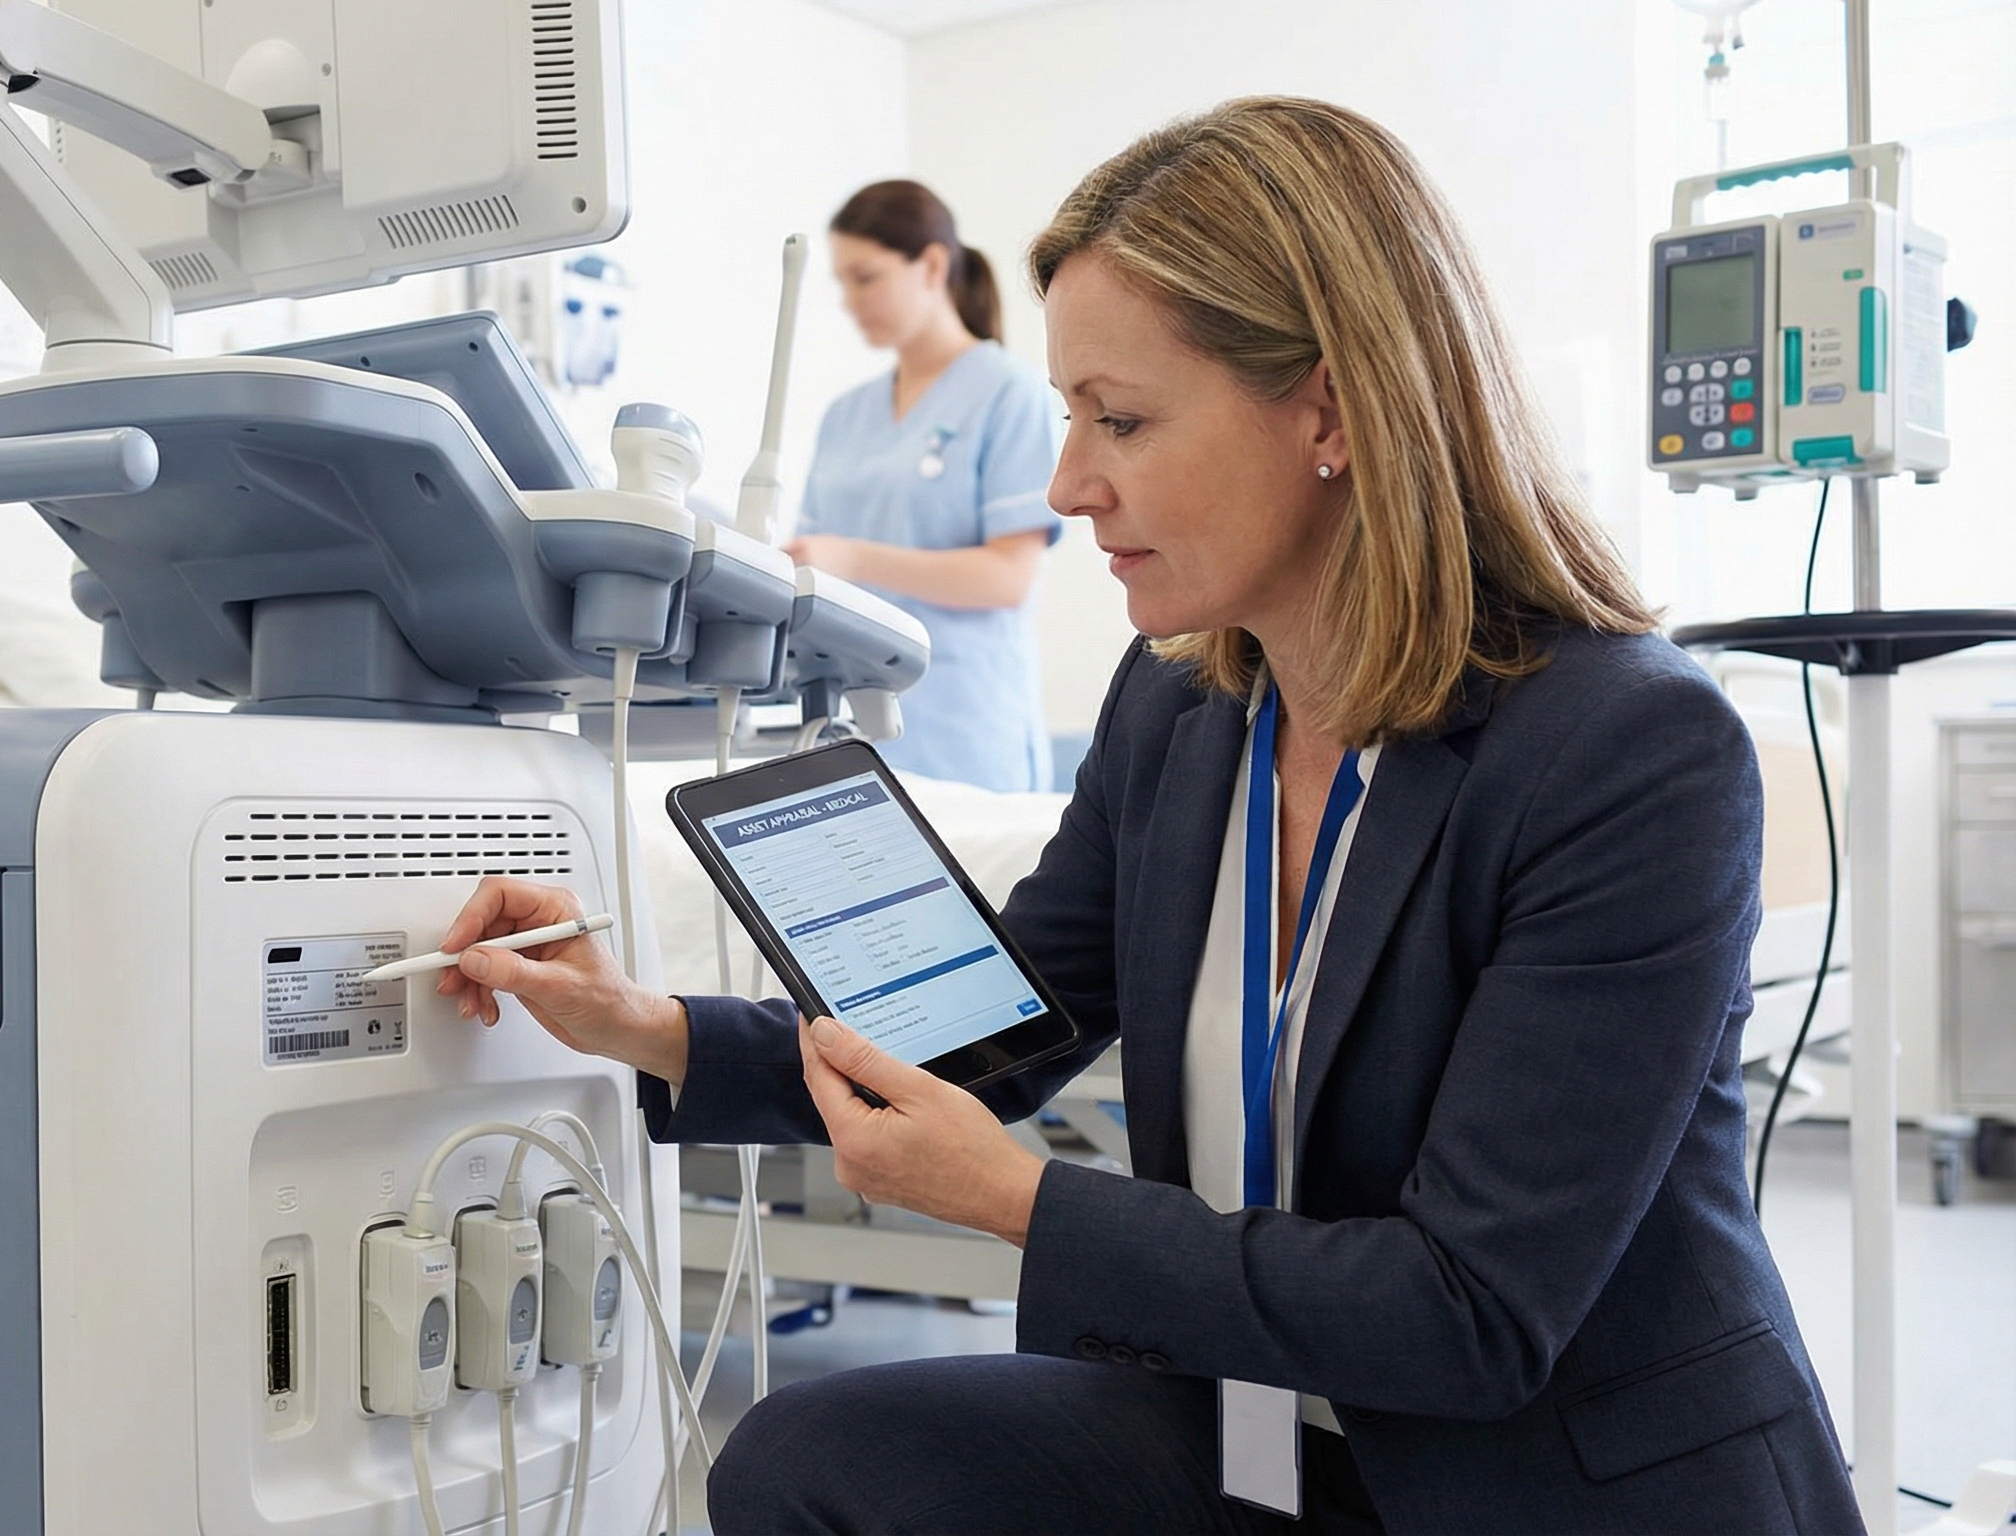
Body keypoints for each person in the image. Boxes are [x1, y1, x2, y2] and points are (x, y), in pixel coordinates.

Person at [430, 97, 1864, 1535]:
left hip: (1538, 1476)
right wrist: (649, 1028)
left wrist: (1025, 1205)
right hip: (1261, 1429)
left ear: (1330, 411)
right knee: (802, 1465)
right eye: (1069, 417)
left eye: (1120, 420)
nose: (1068, 485)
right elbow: (1001, 1019)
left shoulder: (1628, 751)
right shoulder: (1183, 709)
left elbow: (1471, 1314)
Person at [789, 180, 1063, 792]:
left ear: (932, 265)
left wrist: (853, 557)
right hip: (847, 731)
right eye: (842, 284)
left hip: (963, 732)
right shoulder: (844, 415)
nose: (850, 300)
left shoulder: (1007, 393)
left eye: (866, 278)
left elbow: (1007, 578)